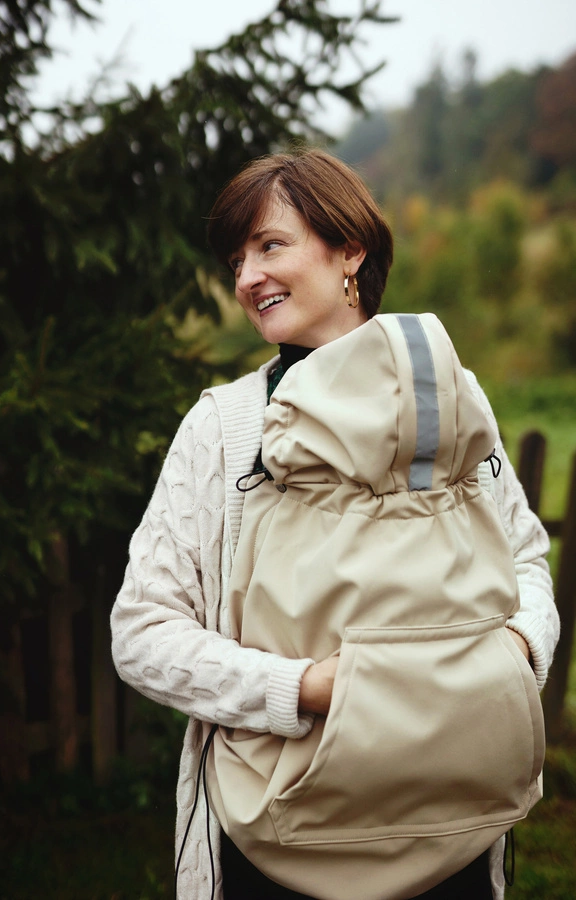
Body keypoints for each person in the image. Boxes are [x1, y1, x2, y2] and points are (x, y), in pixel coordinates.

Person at [110, 148, 559, 900]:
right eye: (237, 259)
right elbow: (143, 633)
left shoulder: (448, 401)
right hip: (285, 836)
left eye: (270, 245)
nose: (247, 277)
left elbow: (525, 561)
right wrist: (306, 689)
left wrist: (512, 655)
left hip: (453, 818)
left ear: (350, 250)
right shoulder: (227, 428)